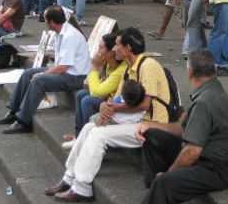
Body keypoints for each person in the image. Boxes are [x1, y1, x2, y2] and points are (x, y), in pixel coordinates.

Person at [44, 27, 171, 202]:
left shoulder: (148, 65)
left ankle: (82, 187)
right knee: (90, 127)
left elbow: (144, 104)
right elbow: (114, 99)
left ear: (128, 48)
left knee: (98, 135)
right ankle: (69, 177)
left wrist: (113, 109)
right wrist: (105, 107)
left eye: (117, 45)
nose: (113, 49)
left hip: (151, 125)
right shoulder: (128, 69)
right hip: (134, 121)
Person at [137, 48, 228, 204]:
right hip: (207, 157)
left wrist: (168, 174)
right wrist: (150, 126)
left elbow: (192, 151)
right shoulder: (211, 90)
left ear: (189, 72)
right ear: (215, 70)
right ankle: (155, 193)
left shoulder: (204, 102)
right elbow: (182, 128)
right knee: (151, 135)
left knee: (164, 182)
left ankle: (159, 188)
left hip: (215, 170)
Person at [0, 6, 90, 134]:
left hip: (76, 77)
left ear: (51, 22)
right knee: (28, 73)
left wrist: (43, 73)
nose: (44, 22)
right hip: (65, 71)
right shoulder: (59, 33)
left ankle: (23, 121)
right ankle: (14, 110)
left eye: (45, 19)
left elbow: (63, 66)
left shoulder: (70, 36)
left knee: (39, 80)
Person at [62, 33, 127, 149]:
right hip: (109, 100)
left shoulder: (120, 70)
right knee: (81, 94)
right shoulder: (108, 65)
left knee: (87, 100)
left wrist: (94, 66)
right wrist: (97, 69)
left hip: (117, 105)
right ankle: (79, 137)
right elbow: (88, 86)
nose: (98, 51)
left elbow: (95, 92)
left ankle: (89, 143)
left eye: (101, 48)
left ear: (111, 51)